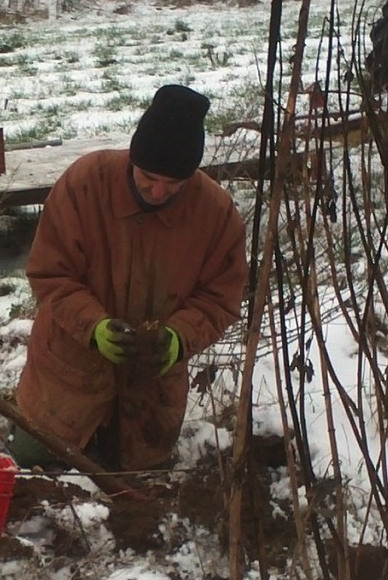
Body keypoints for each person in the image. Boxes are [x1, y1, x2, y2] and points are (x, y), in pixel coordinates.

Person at [13, 84, 246, 472]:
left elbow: (220, 298)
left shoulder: (216, 215)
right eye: (148, 177)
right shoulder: (84, 184)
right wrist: (94, 327)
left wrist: (176, 338)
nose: (158, 191)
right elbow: (51, 272)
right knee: (32, 463)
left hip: (151, 389)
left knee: (137, 481)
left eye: (173, 185)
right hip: (67, 374)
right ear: (132, 158)